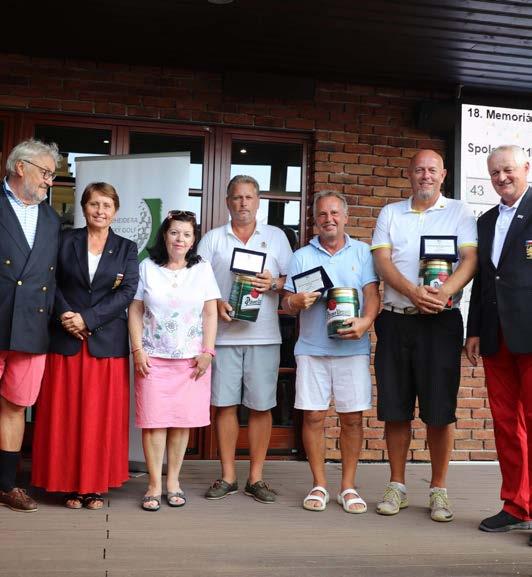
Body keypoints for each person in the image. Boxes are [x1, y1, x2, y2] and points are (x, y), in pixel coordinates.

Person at [371, 149, 477, 522]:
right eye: (419, 170)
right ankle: (396, 485)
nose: (425, 176)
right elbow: (381, 262)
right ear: (409, 174)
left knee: (439, 411)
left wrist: (444, 294)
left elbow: (470, 260)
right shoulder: (390, 213)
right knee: (396, 409)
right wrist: (412, 291)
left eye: (432, 170)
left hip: (441, 323)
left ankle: (439, 490)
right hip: (397, 318)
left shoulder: (461, 212)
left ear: (443, 174)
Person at [32, 182, 139, 510]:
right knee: (65, 416)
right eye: (94, 204)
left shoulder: (126, 248)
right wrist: (67, 315)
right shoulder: (65, 240)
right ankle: (67, 485)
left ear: (115, 211)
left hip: (105, 344)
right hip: (65, 340)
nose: (100, 211)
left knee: (99, 418)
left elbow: (127, 291)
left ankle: (94, 486)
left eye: (107, 205)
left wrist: (88, 319)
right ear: (84, 207)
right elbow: (49, 279)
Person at [281, 191, 379, 512]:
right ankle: (319, 484)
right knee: (313, 416)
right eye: (322, 214)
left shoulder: (363, 252)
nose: (329, 219)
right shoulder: (301, 256)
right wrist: (295, 301)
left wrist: (366, 322)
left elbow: (371, 294)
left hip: (353, 348)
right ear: (315, 220)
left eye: (335, 213)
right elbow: (286, 302)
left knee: (351, 419)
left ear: (346, 217)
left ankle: (348, 487)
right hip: (312, 349)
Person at [197, 175, 292, 504]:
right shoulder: (212, 239)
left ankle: (256, 477)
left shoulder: (276, 237)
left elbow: (291, 280)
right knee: (224, 405)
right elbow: (197, 283)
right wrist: (216, 302)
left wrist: (274, 283)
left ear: (258, 201)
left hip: (264, 336)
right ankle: (227, 476)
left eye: (249, 197)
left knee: (261, 406)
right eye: (237, 197)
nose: (243, 203)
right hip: (222, 336)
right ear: (227, 202)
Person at [129, 210, 220, 511]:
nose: (180, 239)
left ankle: (173, 482)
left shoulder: (203, 269)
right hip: (152, 356)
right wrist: (138, 350)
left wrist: (208, 351)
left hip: (191, 359)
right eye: (174, 232)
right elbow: (135, 311)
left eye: (186, 234)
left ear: (193, 240)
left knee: (181, 422)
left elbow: (210, 312)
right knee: (154, 423)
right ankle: (154, 483)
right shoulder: (147, 267)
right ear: (164, 236)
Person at [465, 145, 532, 540]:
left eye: (508, 170)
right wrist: (473, 329)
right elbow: (483, 279)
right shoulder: (487, 219)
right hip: (496, 335)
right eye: (494, 173)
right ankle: (516, 504)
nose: (501, 178)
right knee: (507, 424)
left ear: (526, 167)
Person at [0, 139, 61, 513]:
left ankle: (6, 485)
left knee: (15, 406)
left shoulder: (52, 219)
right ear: (20, 167)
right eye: (45, 173)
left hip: (31, 327)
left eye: (53, 176)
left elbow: (54, 278)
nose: (49, 182)